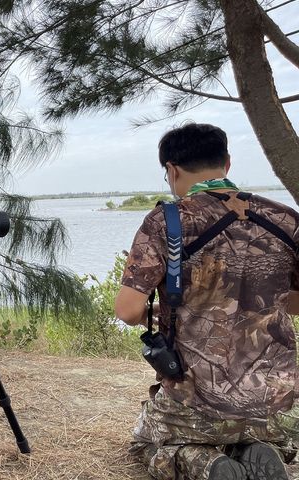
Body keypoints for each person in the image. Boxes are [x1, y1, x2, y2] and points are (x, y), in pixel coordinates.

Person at [115, 123, 299, 480]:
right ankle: (257, 448)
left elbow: (127, 310)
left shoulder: (167, 220)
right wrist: (258, 303)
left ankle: (207, 465)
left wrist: (156, 314)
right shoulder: (285, 218)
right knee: (278, 440)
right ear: (227, 163)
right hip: (273, 398)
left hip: (195, 396)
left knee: (146, 444)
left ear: (172, 170)